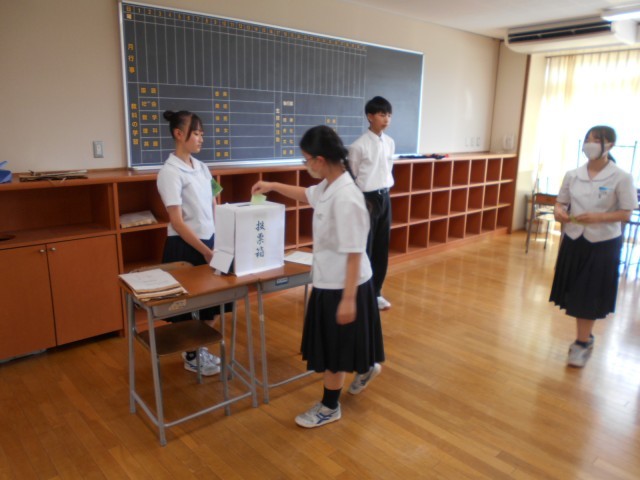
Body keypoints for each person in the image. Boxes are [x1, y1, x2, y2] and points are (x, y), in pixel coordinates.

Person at [251, 125, 385, 428]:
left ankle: (329, 407)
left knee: (334, 351)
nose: (306, 165)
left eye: (306, 160)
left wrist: (348, 300)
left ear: (320, 160)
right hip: (329, 279)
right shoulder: (329, 185)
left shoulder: (346, 197)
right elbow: (305, 194)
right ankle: (365, 366)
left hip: (345, 285)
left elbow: (354, 253)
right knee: (343, 342)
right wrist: (272, 185)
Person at [550, 125, 638, 368]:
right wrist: (559, 212)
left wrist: (598, 217)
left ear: (609, 145)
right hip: (574, 239)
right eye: (587, 139)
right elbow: (560, 203)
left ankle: (581, 343)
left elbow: (627, 213)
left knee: (588, 293)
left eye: (596, 140)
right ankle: (585, 337)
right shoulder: (573, 175)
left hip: (602, 243)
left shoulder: (621, 177)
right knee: (574, 292)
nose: (589, 144)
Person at [156, 110, 223, 376]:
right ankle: (191, 354)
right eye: (196, 133)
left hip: (210, 242)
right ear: (179, 134)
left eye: (201, 134)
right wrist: (206, 251)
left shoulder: (203, 167)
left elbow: (215, 201)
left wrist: (219, 237)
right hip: (186, 246)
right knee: (187, 308)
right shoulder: (169, 172)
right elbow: (177, 221)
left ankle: (198, 348)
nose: (201, 139)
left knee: (213, 304)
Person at [348, 96, 395, 311]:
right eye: (382, 114)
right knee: (365, 247)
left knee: (381, 247)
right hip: (366, 199)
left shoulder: (390, 142)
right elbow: (353, 176)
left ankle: (376, 292)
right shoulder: (358, 146)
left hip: (385, 197)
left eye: (389, 115)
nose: (386, 119)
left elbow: (387, 171)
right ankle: (362, 294)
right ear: (370, 116)